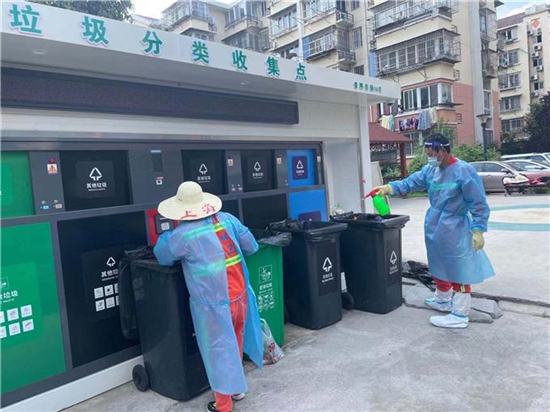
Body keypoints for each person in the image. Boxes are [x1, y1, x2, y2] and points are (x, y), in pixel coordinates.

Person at [154, 181, 262, 412]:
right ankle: (237, 389)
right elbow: (251, 246)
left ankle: (223, 405)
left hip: (212, 307)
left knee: (218, 352)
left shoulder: (182, 235)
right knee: (235, 342)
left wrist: (167, 234)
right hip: (241, 298)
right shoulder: (228, 219)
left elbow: (162, 255)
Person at [374, 133, 495, 329]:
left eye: (432, 153)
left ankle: (460, 314)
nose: (429, 157)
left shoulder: (464, 171)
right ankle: (443, 299)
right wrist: (389, 188)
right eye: (427, 153)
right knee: (437, 262)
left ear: (444, 151)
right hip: (434, 225)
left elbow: (478, 202)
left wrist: (478, 229)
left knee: (459, 268)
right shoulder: (431, 170)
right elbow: (410, 183)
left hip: (456, 226)